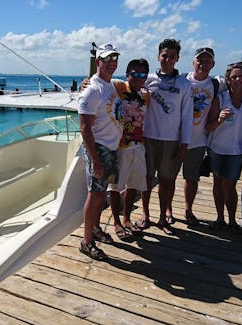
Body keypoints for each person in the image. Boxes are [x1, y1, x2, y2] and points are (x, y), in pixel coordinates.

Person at [136, 38, 194, 235]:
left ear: (177, 59)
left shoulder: (184, 85)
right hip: (147, 138)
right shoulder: (148, 79)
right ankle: (145, 215)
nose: (167, 59)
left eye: (172, 56)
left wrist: (185, 144)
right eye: (164, 55)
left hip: (172, 141)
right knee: (146, 179)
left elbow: (187, 117)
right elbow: (124, 87)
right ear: (158, 56)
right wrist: (89, 81)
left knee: (166, 180)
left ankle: (162, 217)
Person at [78, 43, 124, 260]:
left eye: (114, 60)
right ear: (98, 62)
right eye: (106, 60)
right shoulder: (92, 90)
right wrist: (95, 160)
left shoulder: (110, 85)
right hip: (99, 149)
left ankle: (95, 228)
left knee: (101, 194)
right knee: (95, 195)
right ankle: (86, 242)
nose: (111, 64)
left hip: (111, 148)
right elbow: (85, 127)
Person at [205, 62, 242, 233]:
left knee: (230, 185)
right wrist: (219, 119)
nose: (237, 79)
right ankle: (220, 218)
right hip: (217, 148)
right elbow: (208, 127)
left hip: (238, 149)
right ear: (228, 79)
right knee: (217, 183)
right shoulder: (221, 98)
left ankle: (233, 220)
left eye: (241, 76)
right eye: (233, 77)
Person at [174, 47, 220, 227]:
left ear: (213, 64)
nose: (203, 63)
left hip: (199, 140)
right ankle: (167, 210)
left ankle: (188, 209)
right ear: (193, 62)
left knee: (192, 179)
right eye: (200, 60)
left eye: (207, 60)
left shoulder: (216, 84)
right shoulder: (181, 81)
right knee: (167, 177)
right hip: (176, 139)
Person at [107, 59, 150, 241]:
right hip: (119, 147)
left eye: (143, 75)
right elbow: (98, 81)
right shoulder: (117, 86)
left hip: (138, 146)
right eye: (135, 74)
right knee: (115, 187)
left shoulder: (146, 94)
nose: (139, 78)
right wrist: (86, 81)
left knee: (133, 184)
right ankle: (116, 222)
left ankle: (126, 219)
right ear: (127, 74)